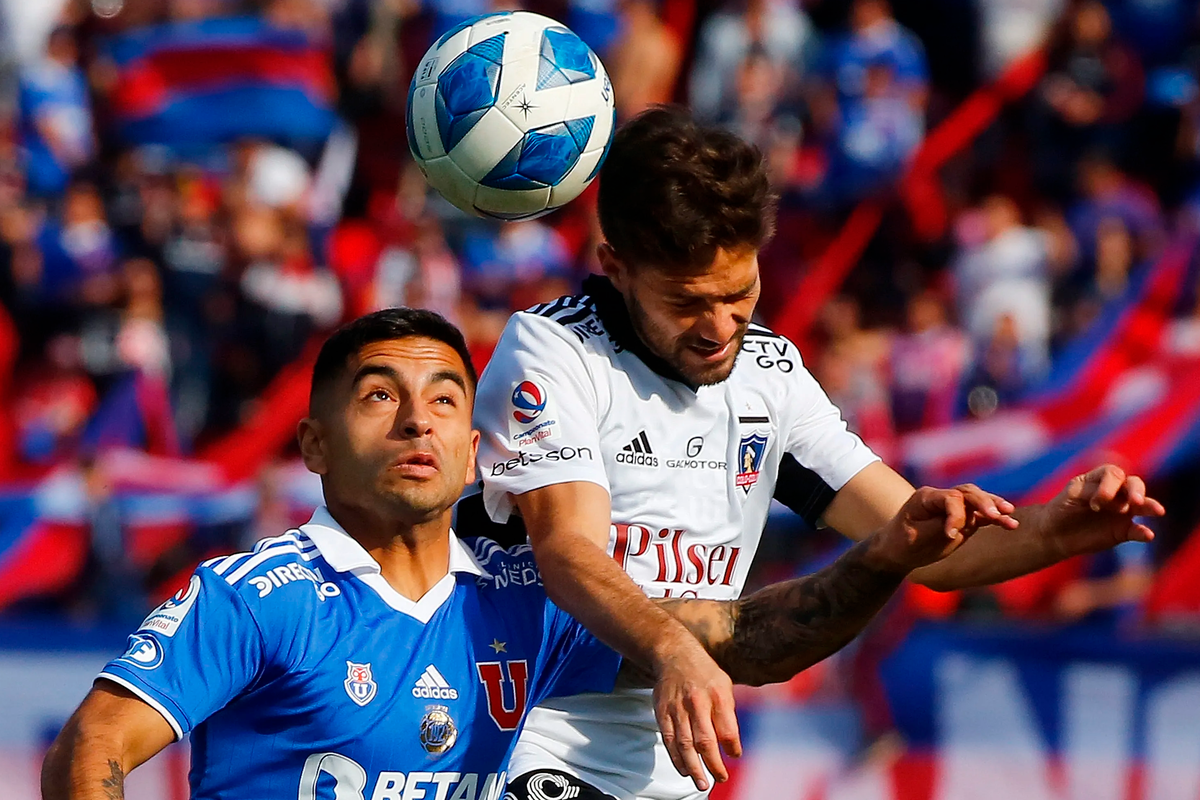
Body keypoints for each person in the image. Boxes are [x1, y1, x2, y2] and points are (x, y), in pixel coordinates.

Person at [465, 106, 1164, 800]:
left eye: (740, 293)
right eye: (687, 302)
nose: (719, 327)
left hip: (668, 772)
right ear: (615, 266)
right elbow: (568, 552)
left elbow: (930, 547)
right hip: (524, 743)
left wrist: (1052, 531)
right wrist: (674, 647)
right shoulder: (554, 350)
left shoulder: (770, 374)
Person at [41, 307, 1005, 799]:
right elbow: (91, 750)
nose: (418, 417)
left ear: (477, 451)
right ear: (316, 448)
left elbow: (741, 636)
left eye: (447, 399)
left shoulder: (524, 604)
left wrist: (880, 558)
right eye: (378, 395)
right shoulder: (257, 596)